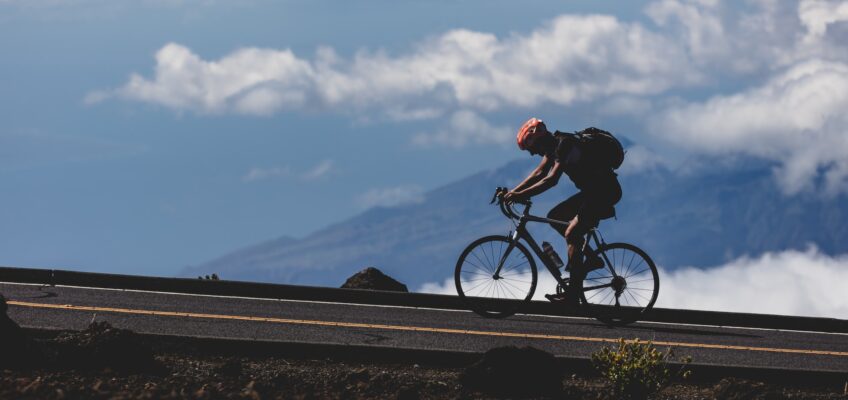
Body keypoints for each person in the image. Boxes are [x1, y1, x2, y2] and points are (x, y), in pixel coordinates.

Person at [504, 117, 622, 302]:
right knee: (555, 217)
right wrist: (513, 192)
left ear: (538, 139)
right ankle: (591, 259)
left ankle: (573, 295)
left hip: (604, 192)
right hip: (592, 192)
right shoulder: (553, 147)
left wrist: (519, 195)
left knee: (572, 234)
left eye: (532, 148)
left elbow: (551, 180)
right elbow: (539, 173)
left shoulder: (565, 144)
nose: (533, 154)